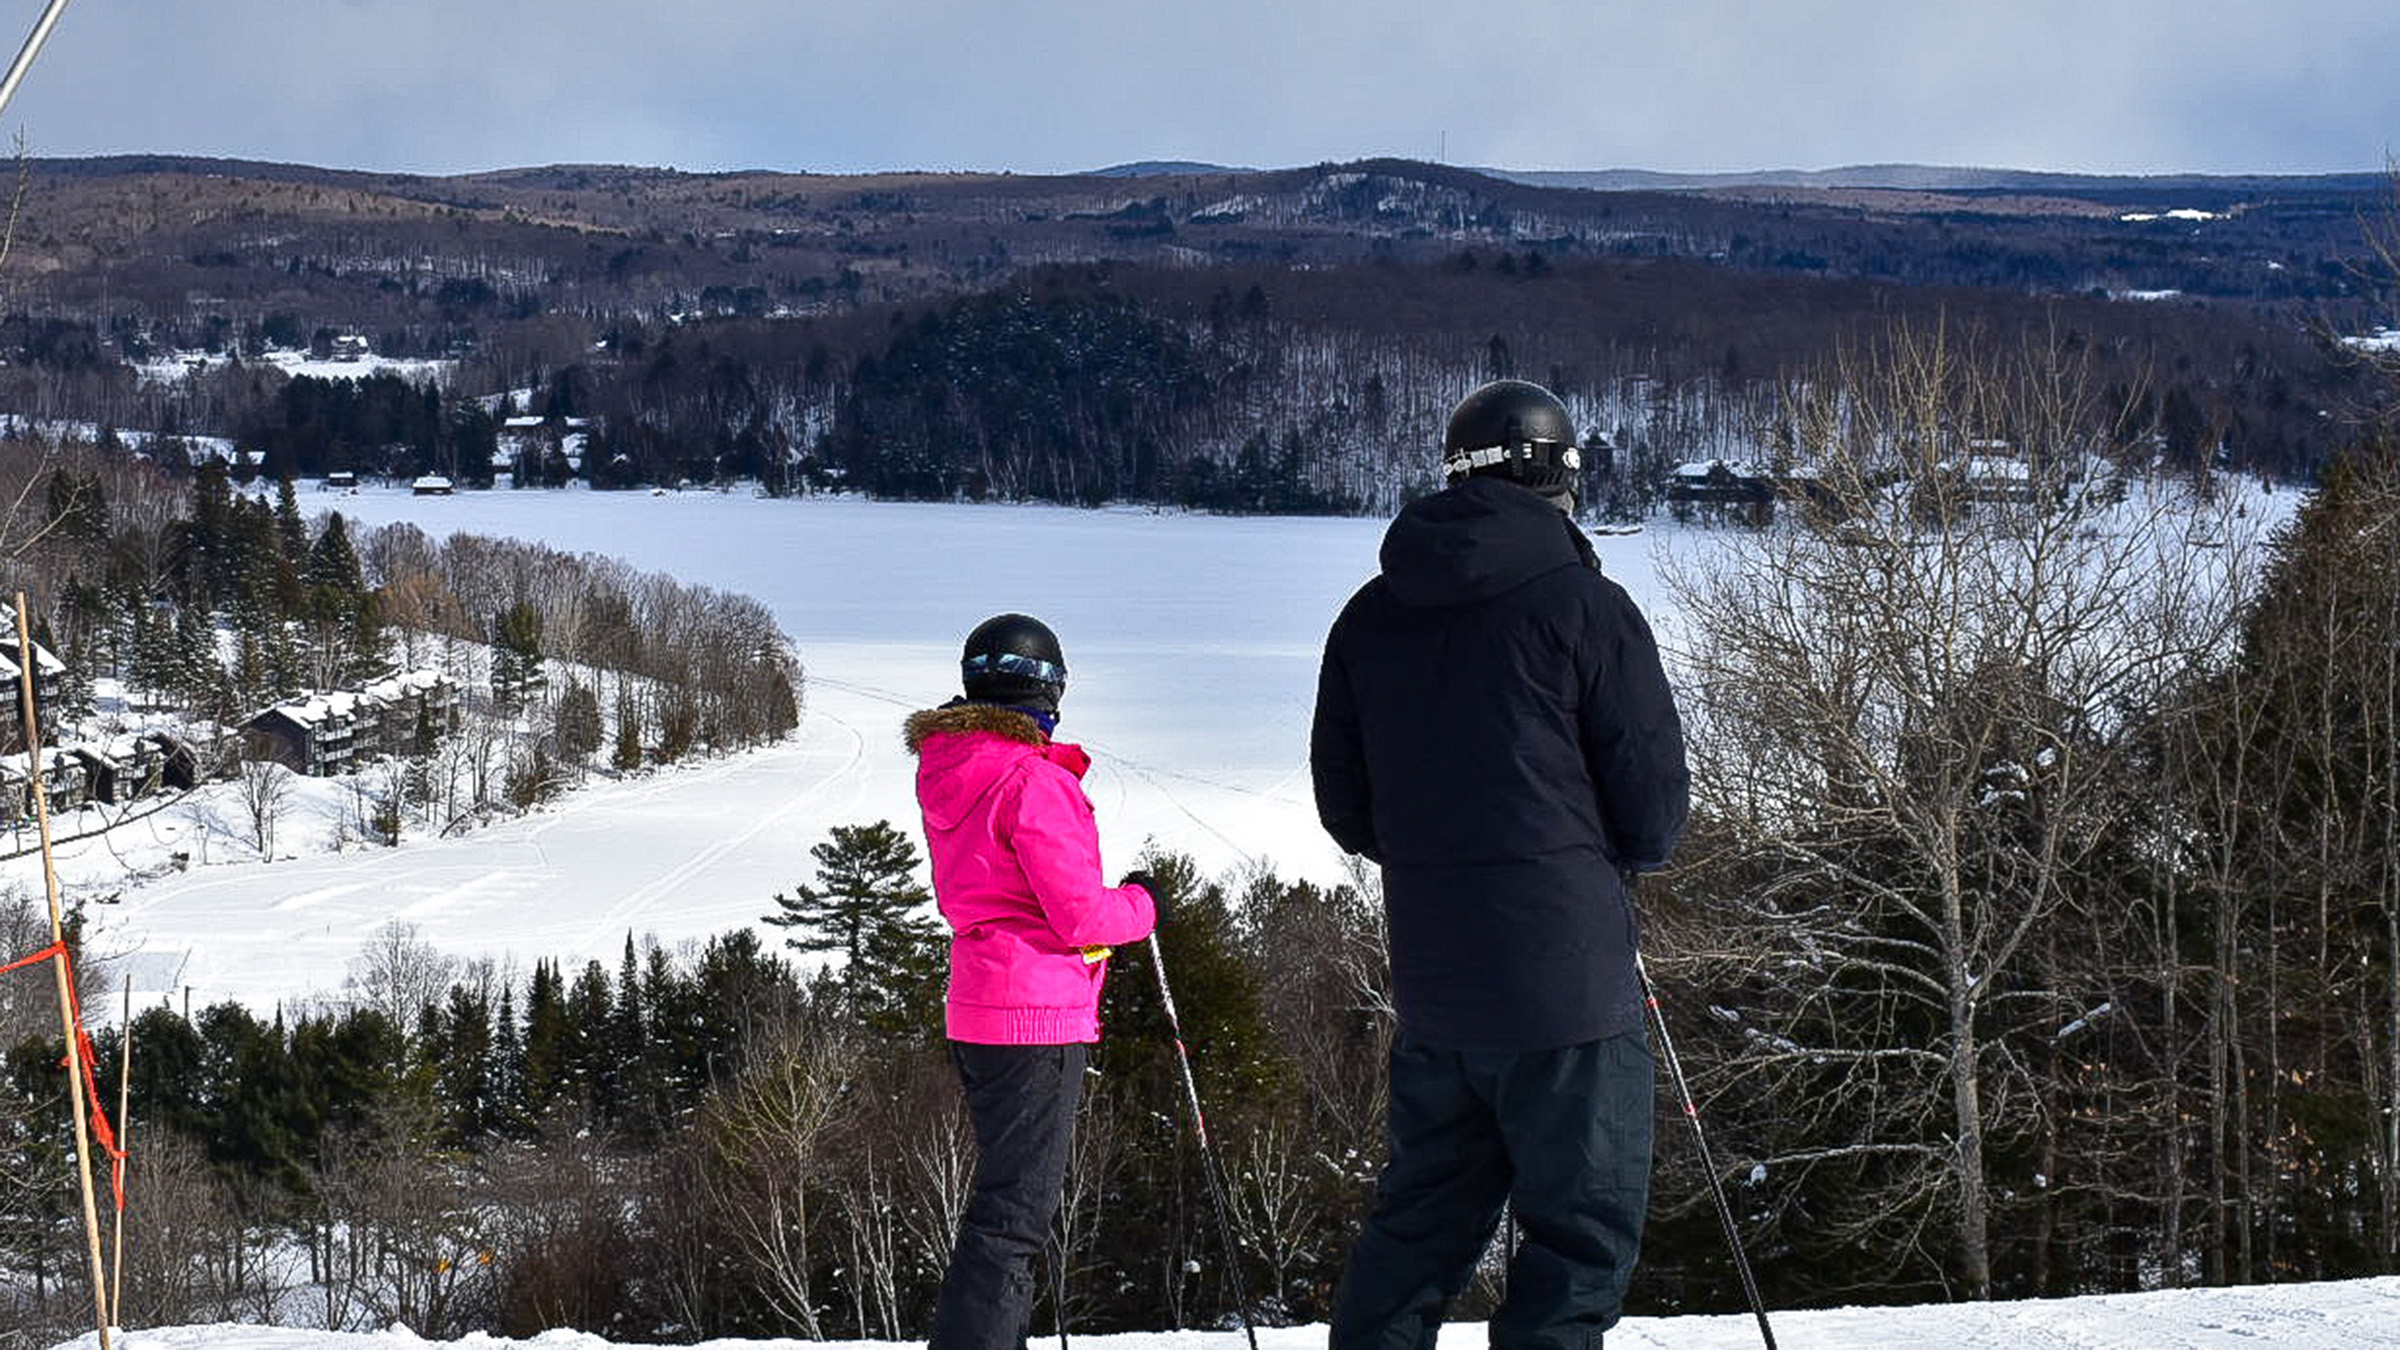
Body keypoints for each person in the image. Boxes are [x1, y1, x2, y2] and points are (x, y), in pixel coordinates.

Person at [1310, 379, 1690, 1347]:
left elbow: (1344, 806)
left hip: (1440, 996)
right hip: (1573, 997)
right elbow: (1652, 817)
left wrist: (1445, 857)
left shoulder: (1367, 620)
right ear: (1556, 477)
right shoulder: (1588, 609)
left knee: (1414, 1241)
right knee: (1575, 1254)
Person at [905, 611, 1163, 1350]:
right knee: (1014, 1220)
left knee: (1003, 1210)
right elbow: (1080, 913)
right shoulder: (1031, 780)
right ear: (1048, 691)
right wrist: (1144, 906)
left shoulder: (954, 766)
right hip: (1036, 1016)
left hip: (982, 1006)